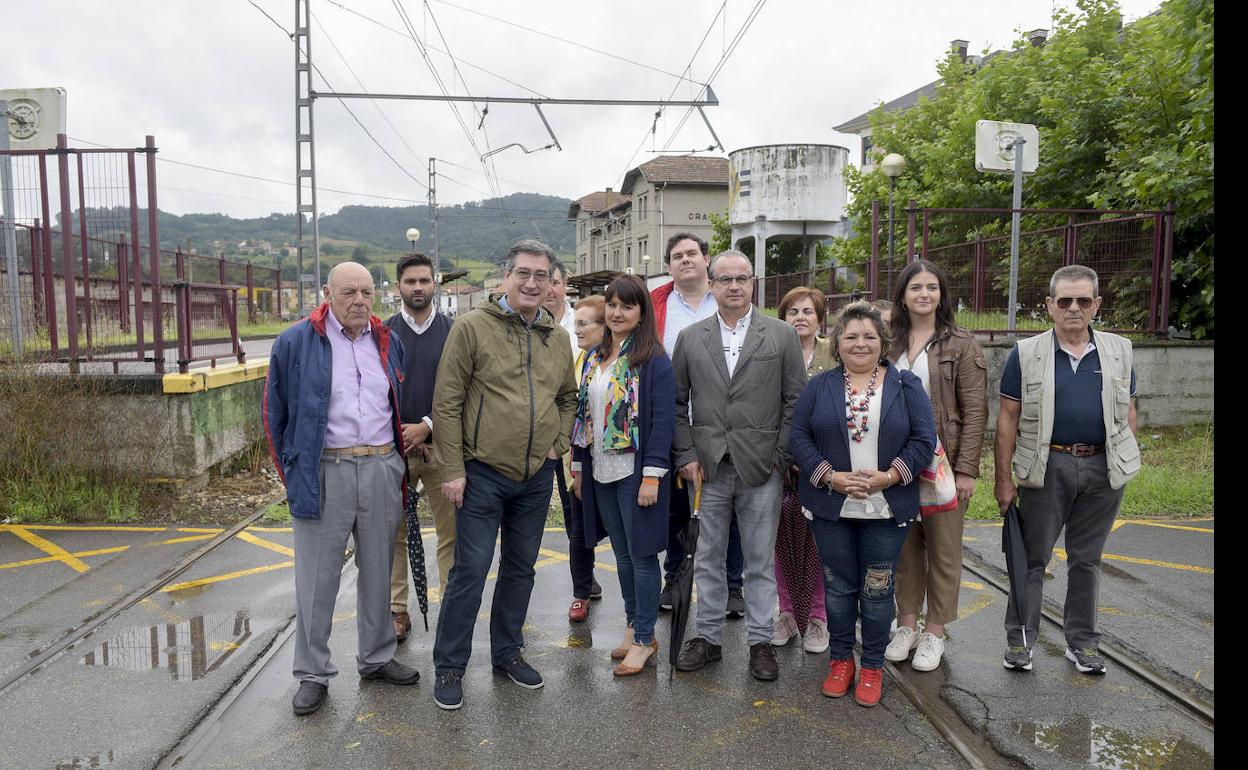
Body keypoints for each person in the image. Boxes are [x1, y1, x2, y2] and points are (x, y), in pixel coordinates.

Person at [264, 261, 420, 717]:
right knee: (317, 579)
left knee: (377, 570)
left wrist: (397, 464)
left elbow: (393, 402)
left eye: (367, 291)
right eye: (349, 291)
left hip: (380, 465)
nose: (359, 300)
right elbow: (275, 416)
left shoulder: (387, 341)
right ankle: (313, 674)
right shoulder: (297, 341)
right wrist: (293, 475)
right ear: (327, 293)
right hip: (324, 469)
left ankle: (376, 658)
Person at [428, 240, 578, 710]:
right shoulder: (472, 328)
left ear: (552, 282)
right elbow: (446, 403)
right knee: (469, 572)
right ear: (506, 277)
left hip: (535, 476)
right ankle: (450, 665)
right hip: (481, 473)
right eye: (524, 274)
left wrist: (559, 444)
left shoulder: (556, 337)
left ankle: (507, 653)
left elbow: (568, 398)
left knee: (520, 569)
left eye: (542, 276)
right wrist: (452, 469)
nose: (533, 283)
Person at [995, 264, 1139, 675]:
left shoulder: (1120, 350)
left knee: (1087, 559)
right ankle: (1020, 641)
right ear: (1049, 306)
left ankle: (1083, 644)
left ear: (1096, 304)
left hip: (1102, 467)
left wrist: (1123, 454)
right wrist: (1003, 479)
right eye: (1064, 301)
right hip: (1047, 466)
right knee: (1032, 559)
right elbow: (1007, 418)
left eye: (1082, 300)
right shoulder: (1025, 354)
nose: (1073, 308)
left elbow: (1128, 410)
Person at [790, 301, 935, 707]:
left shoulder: (906, 386)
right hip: (831, 505)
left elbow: (924, 440)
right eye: (850, 336)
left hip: (886, 507)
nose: (860, 343)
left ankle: (870, 666)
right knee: (838, 588)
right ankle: (840, 662)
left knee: (876, 588)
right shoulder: (819, 386)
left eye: (869, 336)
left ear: (883, 341)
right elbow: (798, 437)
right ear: (837, 343)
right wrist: (829, 476)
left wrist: (889, 477)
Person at [671, 250, 807, 682]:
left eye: (741, 279)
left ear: (753, 283)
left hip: (761, 466)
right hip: (708, 468)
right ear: (711, 284)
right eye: (724, 279)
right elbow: (677, 405)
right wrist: (687, 456)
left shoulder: (781, 335)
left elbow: (795, 402)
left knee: (759, 560)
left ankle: (760, 643)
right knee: (708, 557)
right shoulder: (691, 338)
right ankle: (708, 639)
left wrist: (780, 457)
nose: (733, 286)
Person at [884, 261, 988, 672]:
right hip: (897, 464)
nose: (923, 294)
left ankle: (935, 634)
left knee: (944, 551)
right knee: (904, 550)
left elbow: (976, 411)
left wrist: (967, 470)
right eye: (915, 288)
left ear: (942, 294)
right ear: (903, 295)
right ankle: (906, 625)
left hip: (944, 463)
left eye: (931, 287)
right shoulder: (889, 342)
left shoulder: (962, 344)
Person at [571, 275, 675, 676]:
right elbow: (584, 417)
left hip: (636, 472)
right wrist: (579, 466)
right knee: (623, 556)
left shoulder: (653, 360)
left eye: (627, 306)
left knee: (644, 557)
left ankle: (646, 638)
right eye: (612, 305)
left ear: (641, 312)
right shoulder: (596, 357)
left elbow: (663, 422)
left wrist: (652, 476)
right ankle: (634, 628)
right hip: (600, 468)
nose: (617, 313)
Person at [649, 232, 747, 619]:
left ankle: (733, 585)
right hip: (673, 422)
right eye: (677, 256)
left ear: (707, 260)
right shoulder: (658, 306)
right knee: (677, 509)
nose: (685, 260)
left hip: (726, 429)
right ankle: (674, 579)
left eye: (692, 253)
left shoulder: (727, 300)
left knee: (731, 509)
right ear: (669, 266)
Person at [385, 252, 456, 642]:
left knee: (451, 534)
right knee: (392, 535)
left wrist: (427, 427)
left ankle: (449, 609)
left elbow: (464, 390)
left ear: (434, 285)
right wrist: (402, 434)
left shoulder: (454, 331)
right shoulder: (383, 332)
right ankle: (398, 611)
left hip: (441, 448)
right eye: (410, 281)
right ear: (398, 286)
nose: (417, 288)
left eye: (424, 281)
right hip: (395, 448)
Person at [770, 287, 834, 655]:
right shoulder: (774, 352)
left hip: (824, 464)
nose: (800, 317)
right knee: (781, 539)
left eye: (808, 311)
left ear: (819, 317)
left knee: (818, 543)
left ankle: (818, 618)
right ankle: (788, 613)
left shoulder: (833, 353)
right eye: (792, 310)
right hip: (781, 461)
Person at [545, 261, 604, 621]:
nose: (548, 288)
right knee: (575, 519)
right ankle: (582, 587)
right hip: (566, 445)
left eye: (554, 281)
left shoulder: (613, 358)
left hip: (607, 453)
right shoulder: (535, 326)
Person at [565, 295, 608, 622]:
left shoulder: (620, 360)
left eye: (583, 324)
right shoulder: (580, 359)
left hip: (616, 460)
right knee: (579, 531)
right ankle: (581, 593)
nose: (576, 329)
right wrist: (577, 466)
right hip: (582, 457)